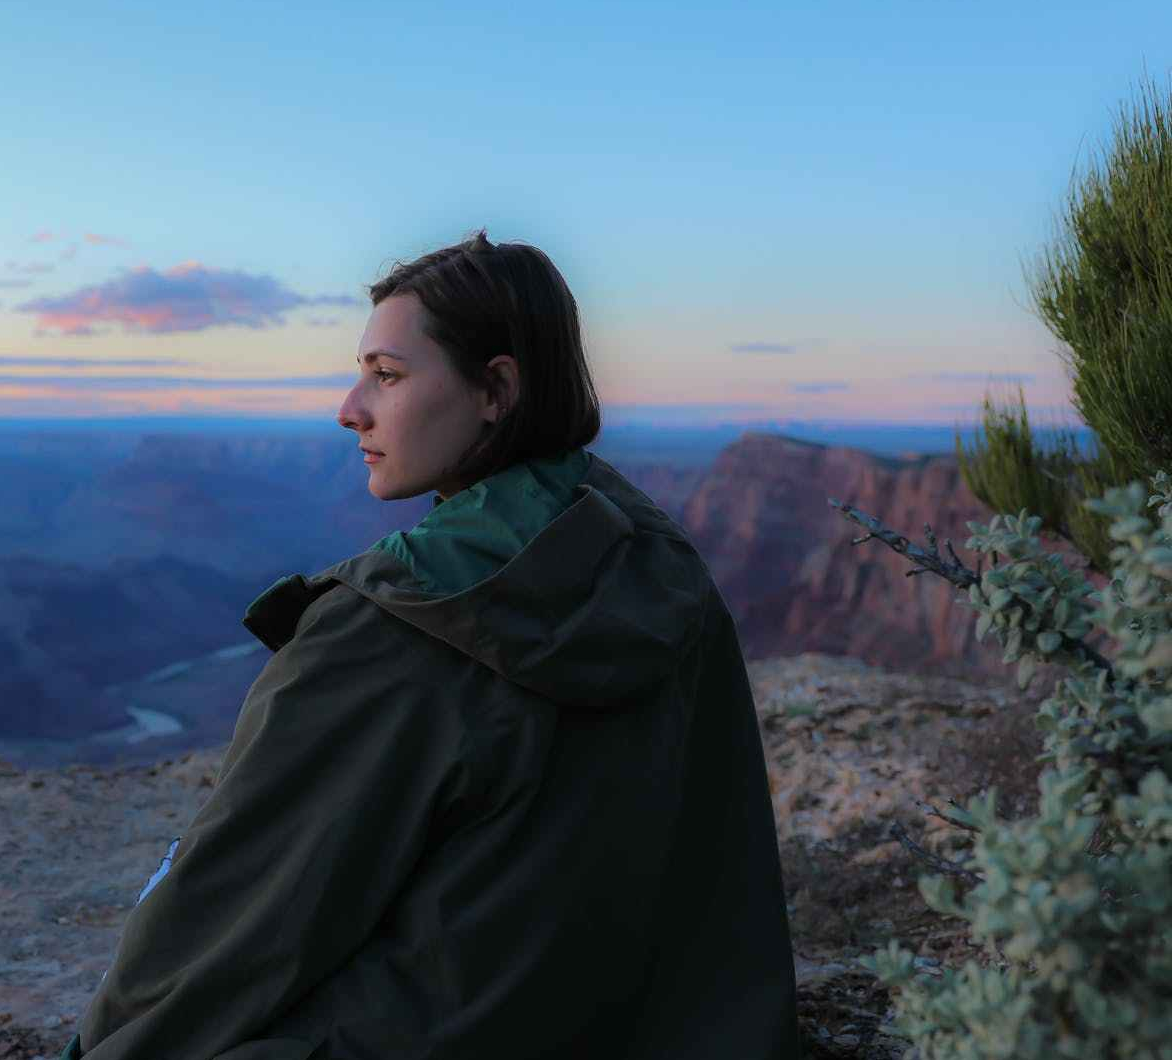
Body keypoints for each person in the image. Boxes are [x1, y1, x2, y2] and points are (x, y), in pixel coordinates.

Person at [58, 230, 799, 1059]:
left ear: (496, 390)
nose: (350, 408)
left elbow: (230, 932)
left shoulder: (386, 625)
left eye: (387, 375)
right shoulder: (664, 572)